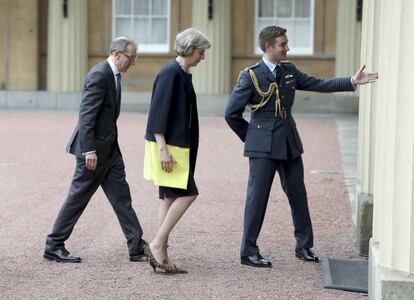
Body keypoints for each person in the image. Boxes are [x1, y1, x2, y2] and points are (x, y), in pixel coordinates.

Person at [225, 26, 378, 268]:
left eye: (286, 44)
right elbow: (231, 113)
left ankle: (304, 245)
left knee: (298, 194)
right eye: (282, 45)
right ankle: (248, 251)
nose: (287, 48)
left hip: (288, 142)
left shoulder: (289, 70)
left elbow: (318, 83)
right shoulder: (250, 76)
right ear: (268, 47)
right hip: (262, 147)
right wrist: (253, 138)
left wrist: (351, 81)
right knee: (257, 198)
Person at [44, 37, 147, 263]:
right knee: (77, 198)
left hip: (109, 151)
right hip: (93, 153)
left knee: (122, 198)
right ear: (117, 54)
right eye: (132, 57)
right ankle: (53, 245)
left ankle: (137, 245)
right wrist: (89, 150)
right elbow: (87, 115)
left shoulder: (114, 75)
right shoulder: (99, 74)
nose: (134, 62)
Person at [143, 28, 210, 274]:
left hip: (177, 146)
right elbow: (156, 114)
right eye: (201, 52)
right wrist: (163, 149)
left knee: (169, 198)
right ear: (191, 49)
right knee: (188, 193)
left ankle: (162, 255)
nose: (202, 57)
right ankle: (157, 244)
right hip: (170, 147)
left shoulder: (180, 72)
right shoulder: (170, 73)